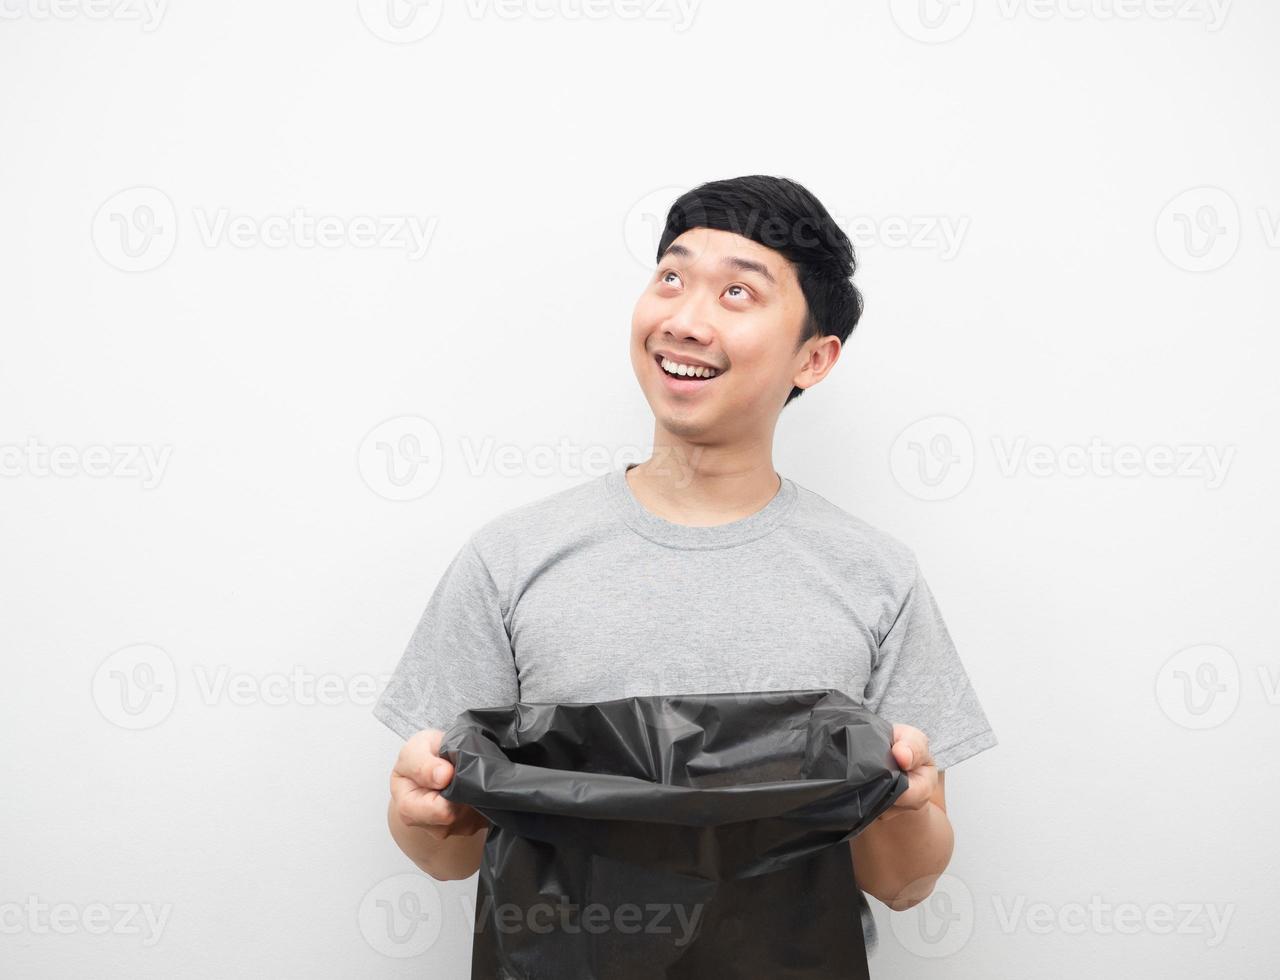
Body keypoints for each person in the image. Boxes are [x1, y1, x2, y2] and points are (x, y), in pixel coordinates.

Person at [373, 174, 998, 962]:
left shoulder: (875, 577)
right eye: (671, 277)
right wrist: (415, 813)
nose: (685, 320)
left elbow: (901, 885)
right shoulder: (512, 559)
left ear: (814, 357)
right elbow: (450, 855)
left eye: (737, 292)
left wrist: (907, 804)